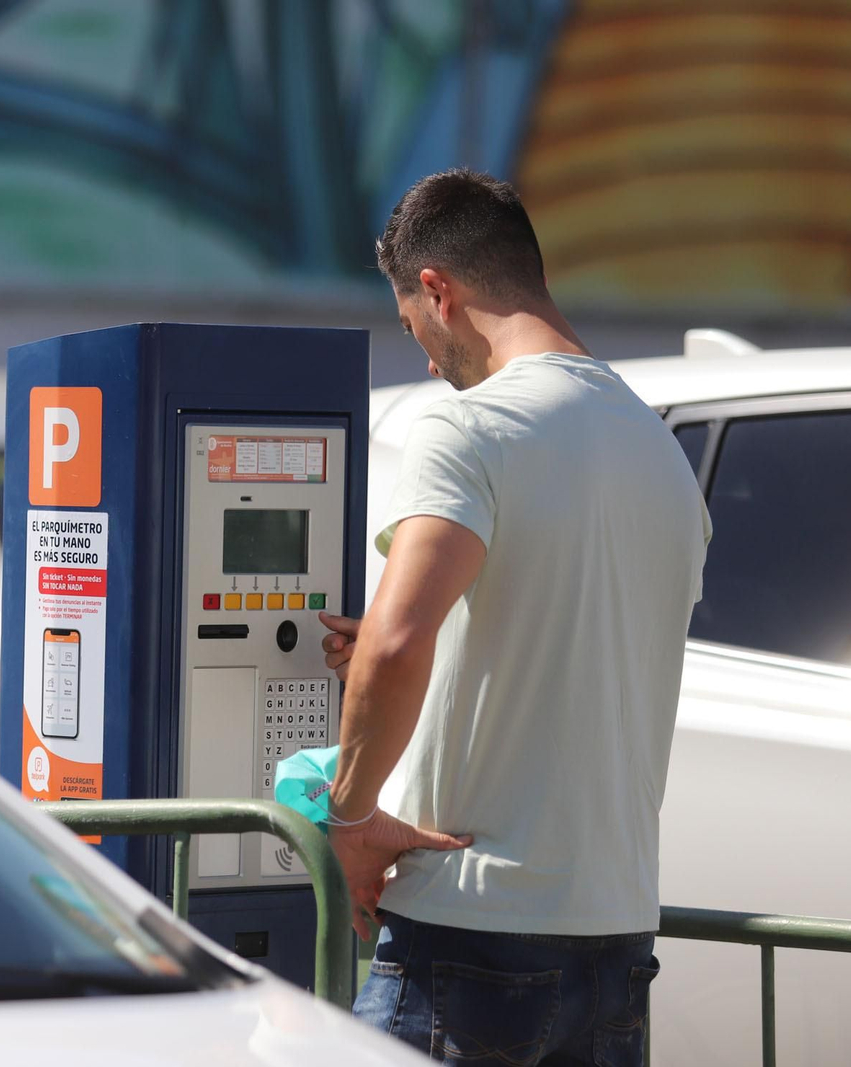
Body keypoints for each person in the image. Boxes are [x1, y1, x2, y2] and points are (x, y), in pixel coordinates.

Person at [318, 170, 710, 1065]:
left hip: (469, 933)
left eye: (412, 327)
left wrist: (351, 818)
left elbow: (400, 637)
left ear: (437, 291)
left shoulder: (469, 428)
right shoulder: (661, 452)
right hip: (616, 938)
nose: (423, 358)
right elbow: (568, 639)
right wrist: (407, 649)